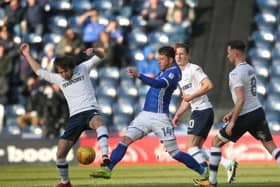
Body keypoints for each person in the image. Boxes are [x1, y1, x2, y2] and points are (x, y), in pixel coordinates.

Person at [90, 46, 208, 180]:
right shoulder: (165, 70)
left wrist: (139, 75)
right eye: (158, 59)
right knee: (125, 140)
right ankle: (107, 169)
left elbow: (158, 84)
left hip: (160, 118)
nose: (159, 62)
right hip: (145, 115)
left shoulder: (174, 72)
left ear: (170, 60)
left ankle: (202, 170)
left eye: (162, 59)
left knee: (175, 153)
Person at [20, 43, 111, 187]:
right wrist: (27, 55)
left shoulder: (83, 68)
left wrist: (94, 50)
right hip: (74, 117)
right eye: (60, 72)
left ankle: (105, 155)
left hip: (89, 110)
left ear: (71, 68)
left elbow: (102, 55)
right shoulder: (59, 78)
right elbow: (38, 71)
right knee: (60, 153)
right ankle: (65, 182)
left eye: (64, 71)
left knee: (99, 121)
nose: (62, 74)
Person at [194, 40, 280, 187]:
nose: (228, 56)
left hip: (245, 115)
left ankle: (212, 182)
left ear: (235, 53)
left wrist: (232, 121)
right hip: (257, 112)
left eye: (228, 53)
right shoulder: (249, 69)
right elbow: (247, 97)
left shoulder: (235, 73)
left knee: (216, 142)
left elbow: (241, 99)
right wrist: (231, 112)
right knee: (271, 147)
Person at [172, 43, 238, 184]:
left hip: (203, 111)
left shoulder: (193, 69)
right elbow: (186, 99)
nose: (179, 56)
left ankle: (205, 173)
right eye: (176, 54)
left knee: (190, 147)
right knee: (196, 148)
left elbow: (208, 85)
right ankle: (227, 163)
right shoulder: (179, 75)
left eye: (182, 54)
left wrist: (192, 96)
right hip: (199, 112)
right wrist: (177, 115)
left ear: (188, 55)